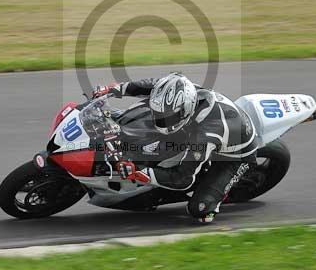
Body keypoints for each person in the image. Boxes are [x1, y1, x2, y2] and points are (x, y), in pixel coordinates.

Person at [92, 73, 257, 223]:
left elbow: (182, 179)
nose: (159, 120)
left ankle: (216, 198)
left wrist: (138, 171)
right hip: (209, 128)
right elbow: (150, 84)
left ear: (184, 112)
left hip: (236, 156)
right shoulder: (179, 90)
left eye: (166, 118)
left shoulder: (205, 136)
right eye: (159, 114)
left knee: (200, 211)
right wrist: (115, 89)